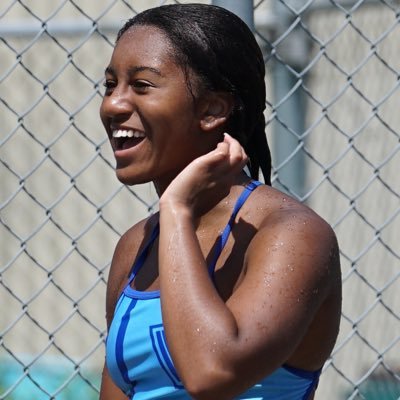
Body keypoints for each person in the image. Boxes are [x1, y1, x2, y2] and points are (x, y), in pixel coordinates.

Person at [99, 4, 341, 400]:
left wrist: (176, 210)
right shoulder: (135, 248)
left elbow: (213, 373)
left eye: (141, 86)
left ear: (212, 109)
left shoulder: (291, 235)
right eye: (111, 85)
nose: (112, 105)